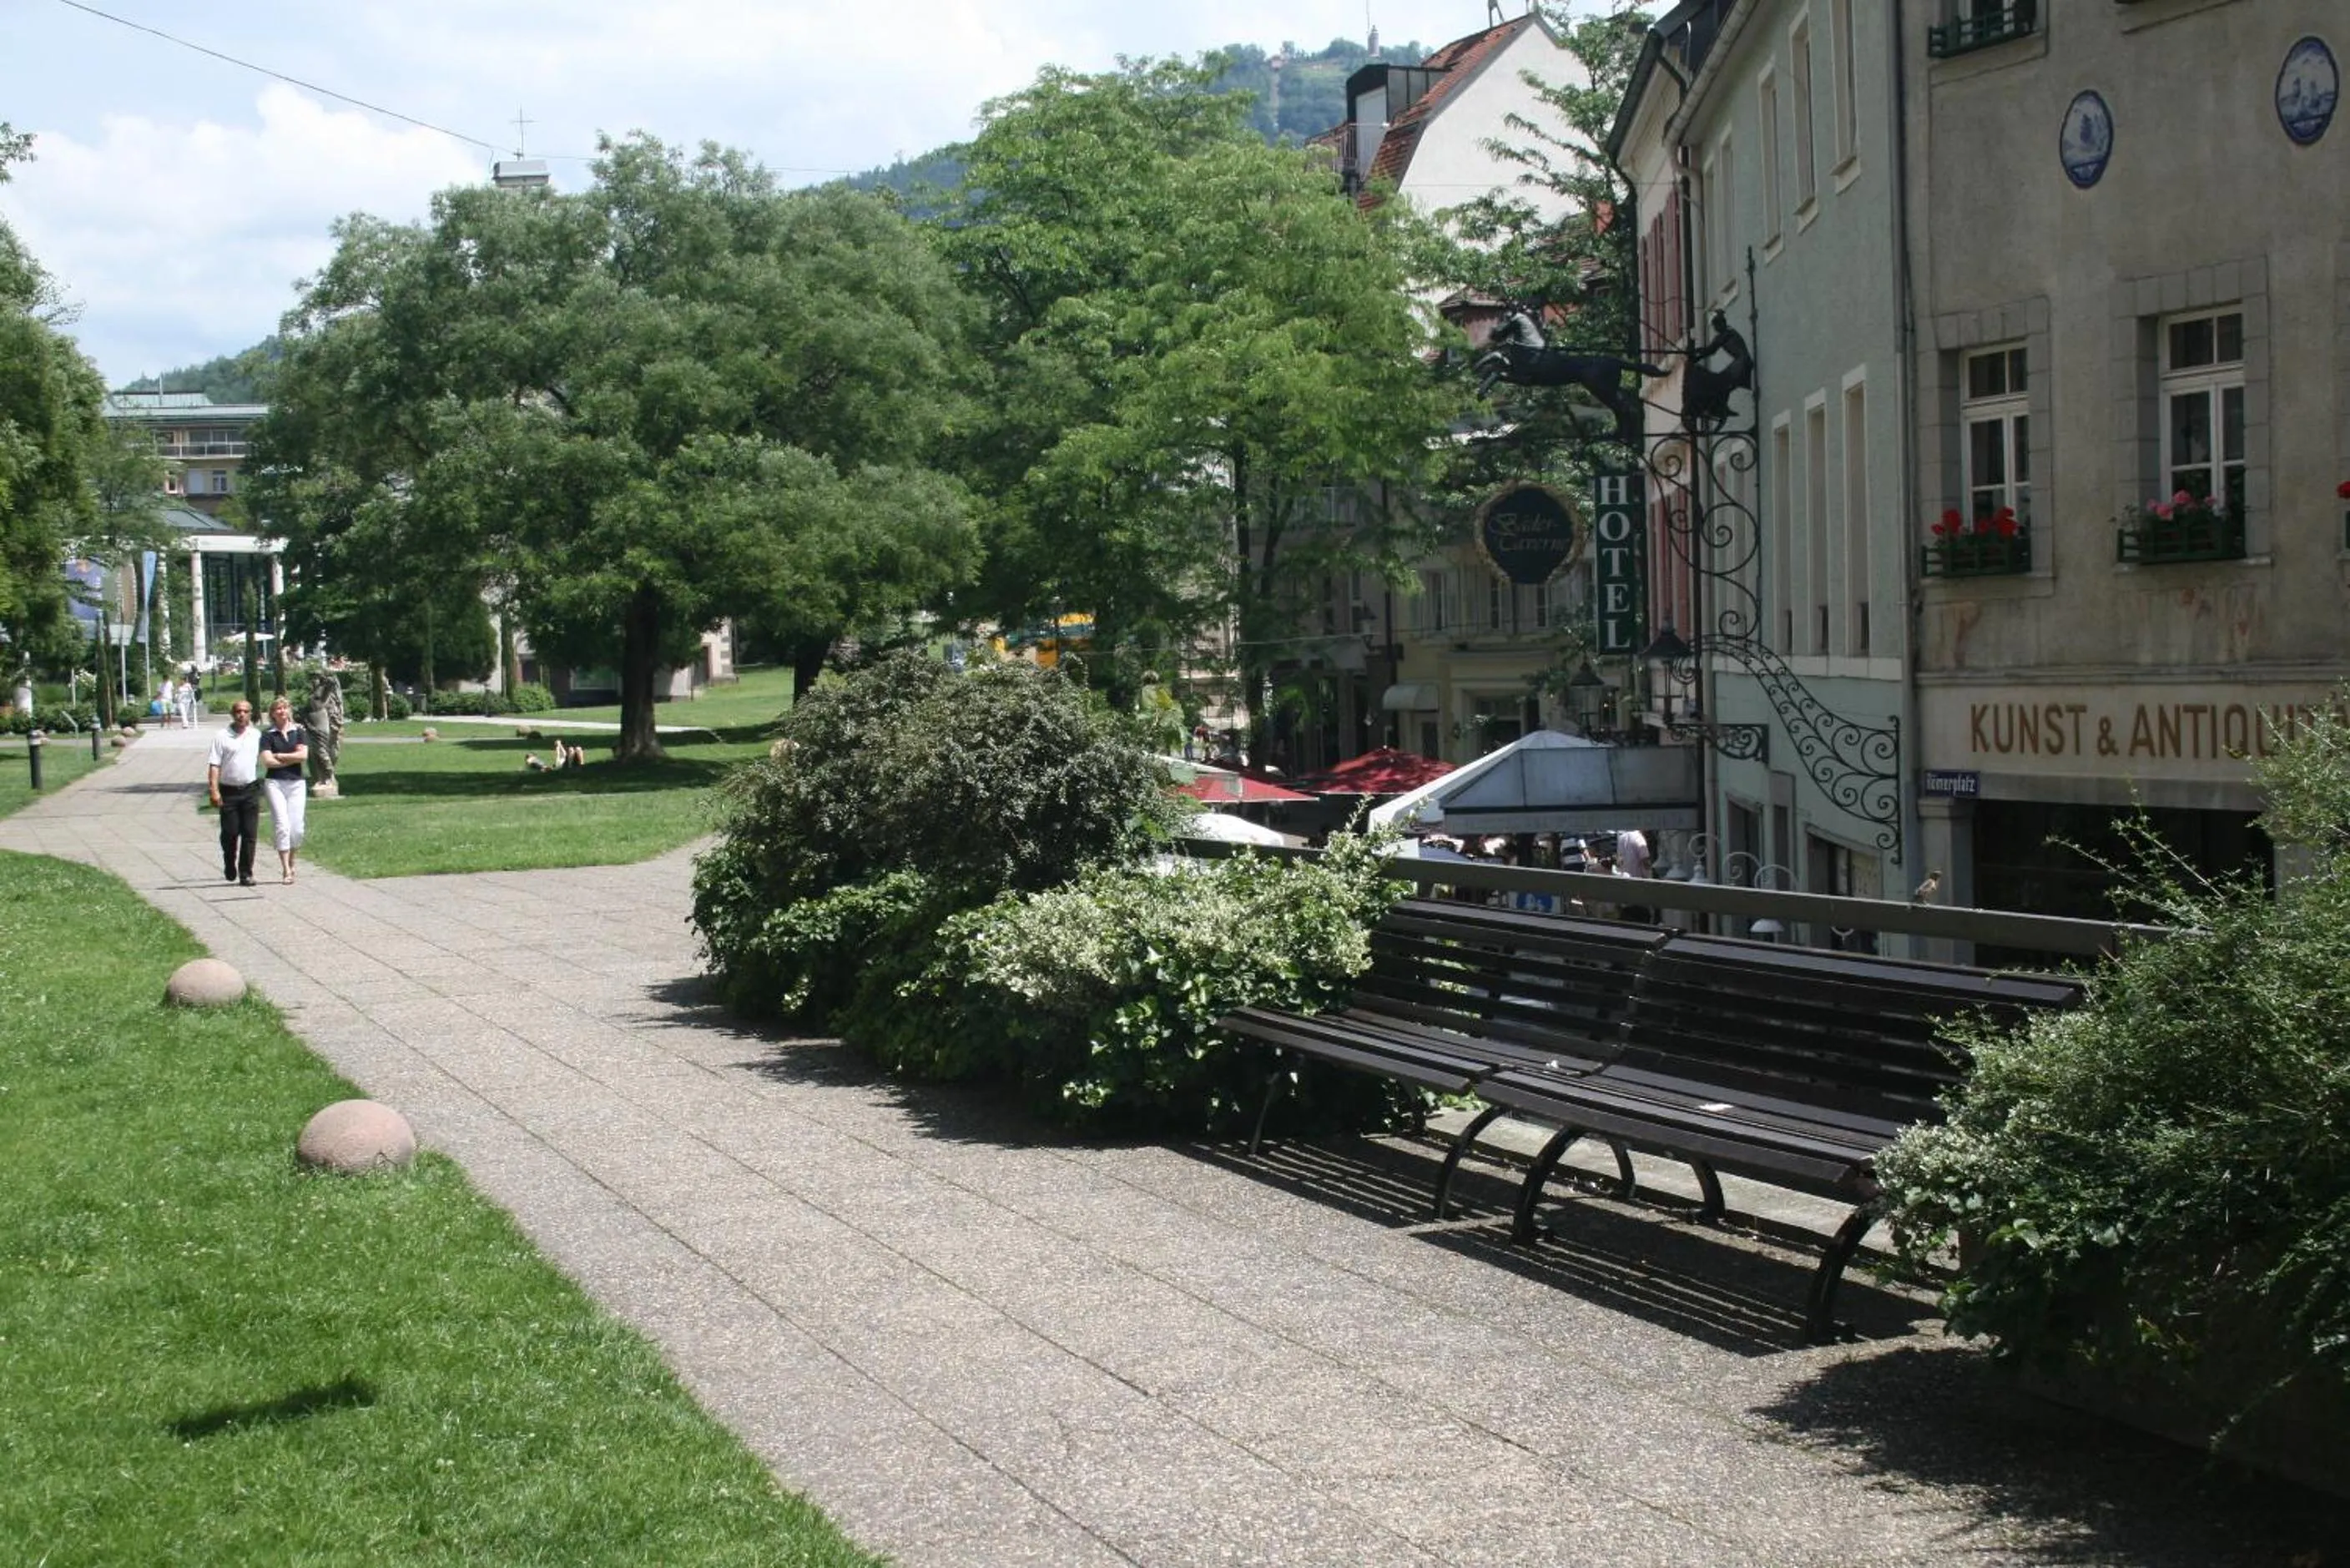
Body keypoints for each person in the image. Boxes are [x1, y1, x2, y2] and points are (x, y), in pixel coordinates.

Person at [205, 698, 264, 887]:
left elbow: (267, 756)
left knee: (250, 833)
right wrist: (214, 790)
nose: (242, 715)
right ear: (233, 714)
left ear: (250, 714)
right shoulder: (222, 736)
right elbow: (214, 765)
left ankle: (246, 873)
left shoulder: (256, 735)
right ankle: (229, 862)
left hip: (250, 789)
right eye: (238, 711)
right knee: (230, 833)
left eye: (246, 711)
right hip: (228, 790)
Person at [258, 696, 310, 885]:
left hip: (296, 783)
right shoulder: (267, 735)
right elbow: (267, 761)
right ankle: (286, 869)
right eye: (277, 709)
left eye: (284, 708)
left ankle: (292, 859)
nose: (281, 711)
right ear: (272, 714)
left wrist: (280, 755)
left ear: (289, 710)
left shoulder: (299, 732)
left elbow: (303, 756)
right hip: (275, 783)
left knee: (296, 828)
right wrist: (291, 757)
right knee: (282, 824)